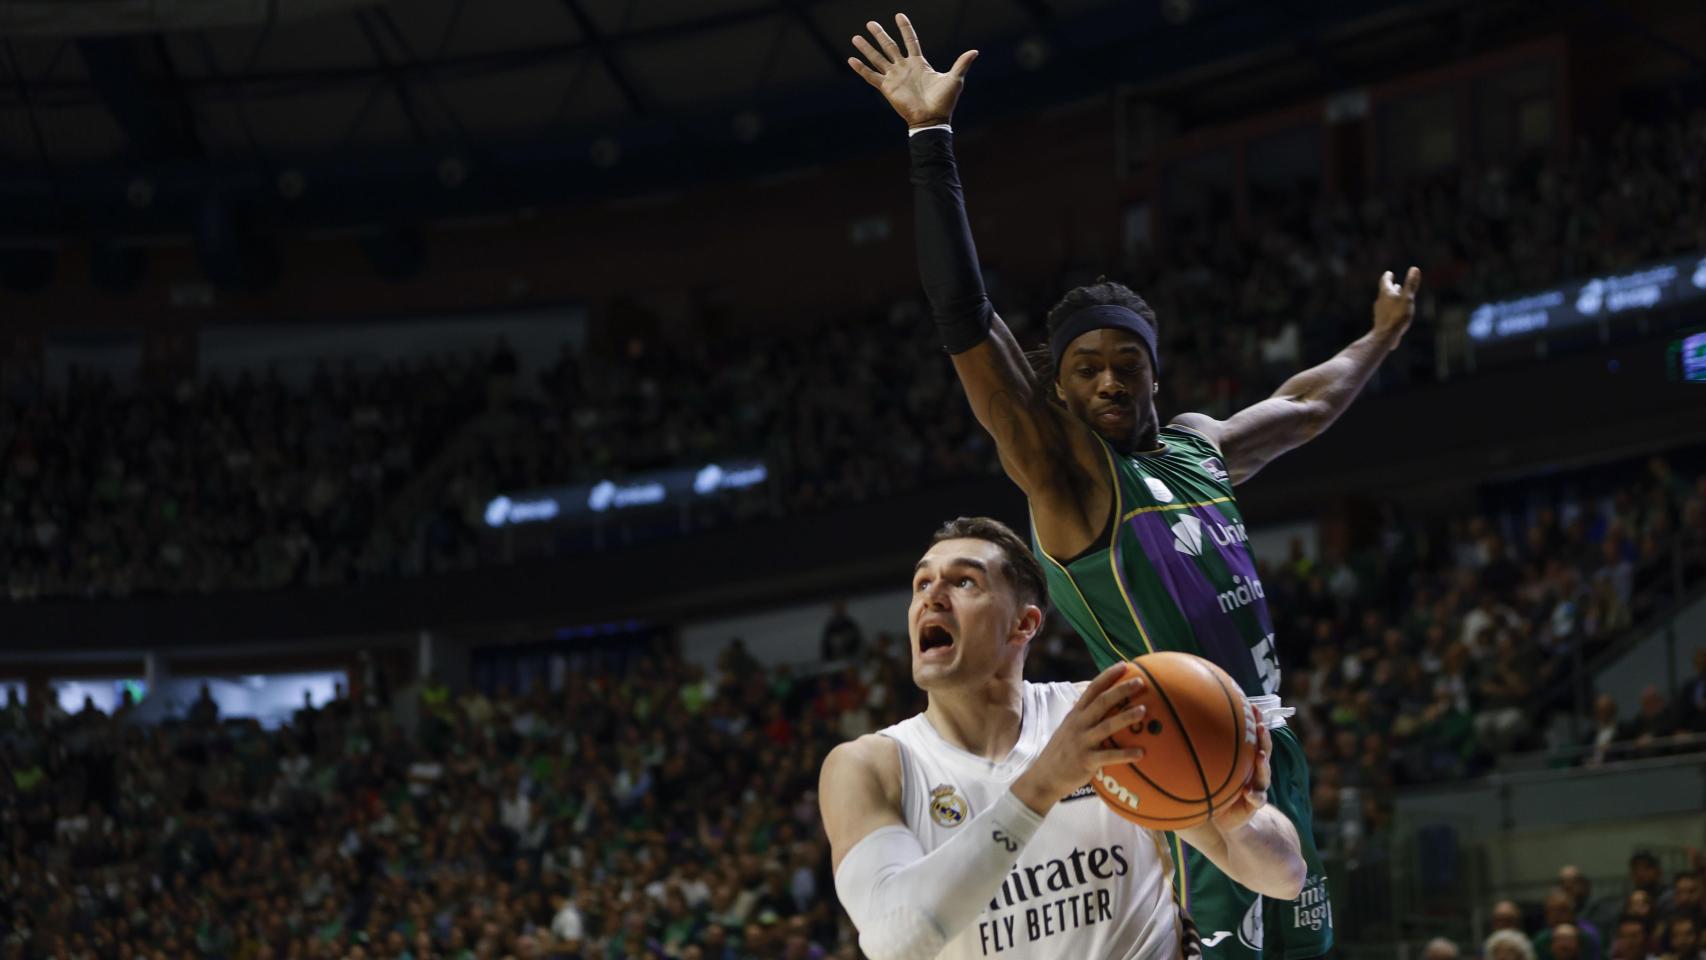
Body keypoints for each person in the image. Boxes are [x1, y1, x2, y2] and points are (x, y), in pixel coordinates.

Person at [846, 12, 1419, 959]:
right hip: (1186, 767)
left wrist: (1383, 336)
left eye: (1127, 364)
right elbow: (963, 317)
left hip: (1277, 749)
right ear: (1058, 390)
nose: (1110, 381)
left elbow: (1308, 404)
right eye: (1085, 370)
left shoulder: (1197, 448)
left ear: (1157, 373)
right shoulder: (1070, 482)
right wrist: (930, 141)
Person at [819, 517, 1305, 960]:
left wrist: (1240, 822)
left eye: (964, 581)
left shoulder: (1106, 714)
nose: (932, 595)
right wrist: (1044, 782)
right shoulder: (870, 767)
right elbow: (893, 939)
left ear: (1024, 624)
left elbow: (1285, 878)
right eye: (922, 582)